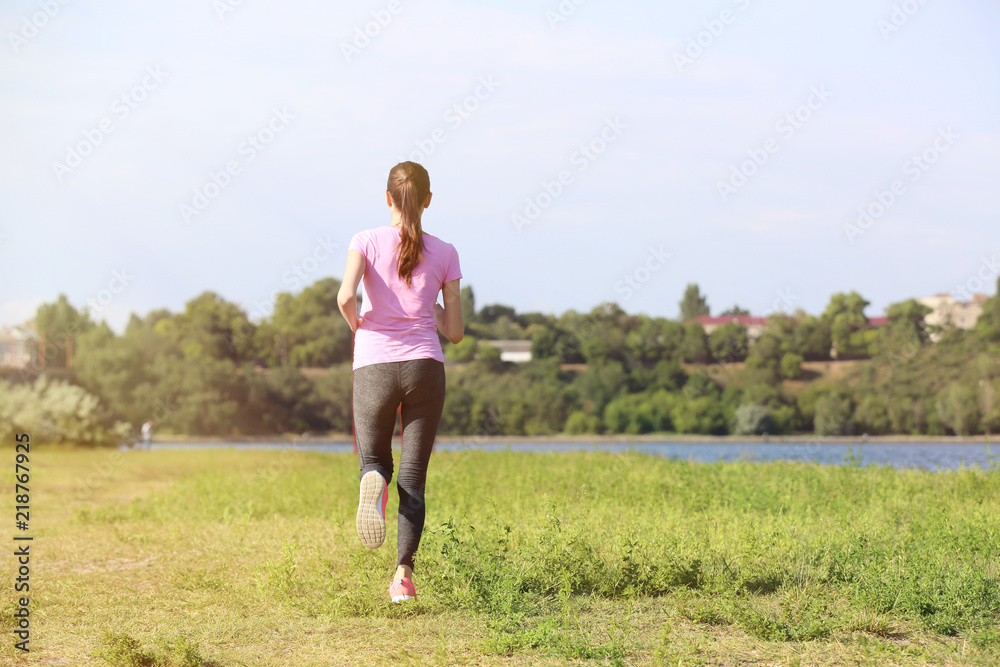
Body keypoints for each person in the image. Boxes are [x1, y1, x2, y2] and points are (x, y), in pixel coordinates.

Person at [336, 161, 463, 604]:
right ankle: (402, 578)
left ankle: (374, 477)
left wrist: (360, 327)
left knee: (374, 459)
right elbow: (456, 330)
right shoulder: (446, 251)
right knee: (414, 476)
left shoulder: (365, 240)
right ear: (428, 200)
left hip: (373, 363)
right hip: (425, 366)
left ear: (387, 197)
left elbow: (345, 296)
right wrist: (424, 307)